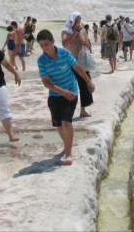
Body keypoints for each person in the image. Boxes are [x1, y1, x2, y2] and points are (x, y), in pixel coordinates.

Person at [37, 29, 95, 165]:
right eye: (42, 45)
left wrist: (89, 82)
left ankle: (68, 152)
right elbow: (46, 82)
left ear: (52, 42)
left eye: (47, 44)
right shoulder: (41, 60)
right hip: (55, 94)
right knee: (58, 124)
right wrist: (61, 91)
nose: (45, 47)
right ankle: (66, 145)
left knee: (66, 121)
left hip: (71, 91)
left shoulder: (64, 53)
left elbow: (77, 67)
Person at [61, 12, 93, 117]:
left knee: (84, 86)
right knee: (69, 87)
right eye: (77, 20)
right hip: (69, 63)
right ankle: (66, 110)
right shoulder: (66, 31)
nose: (78, 22)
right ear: (72, 20)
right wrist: (74, 34)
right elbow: (64, 43)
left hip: (82, 63)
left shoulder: (83, 31)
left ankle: (82, 110)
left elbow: (88, 44)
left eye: (79, 20)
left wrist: (86, 44)